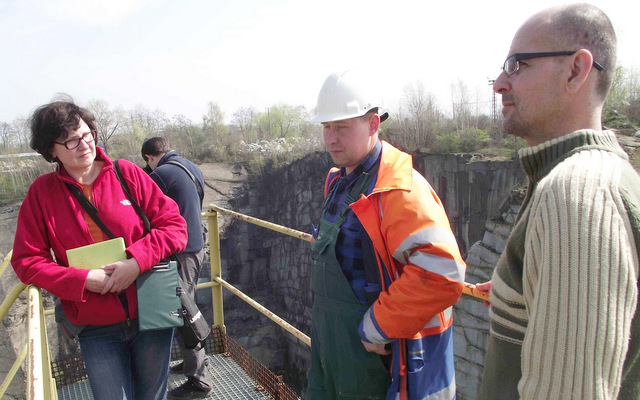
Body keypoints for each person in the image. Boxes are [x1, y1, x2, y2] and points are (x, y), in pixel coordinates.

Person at [477, 4, 640, 399]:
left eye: (518, 65)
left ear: (575, 70)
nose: (499, 83)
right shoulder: (606, 174)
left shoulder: (577, 195)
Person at [11, 97, 188, 400]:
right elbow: (27, 260)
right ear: (51, 150)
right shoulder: (41, 194)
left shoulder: (127, 174)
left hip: (150, 313)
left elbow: (174, 227)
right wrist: (82, 280)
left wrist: (135, 262)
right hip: (95, 325)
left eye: (86, 134)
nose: (84, 145)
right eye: (70, 141)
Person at [307, 70, 466, 400]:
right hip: (327, 349)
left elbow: (443, 272)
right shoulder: (338, 183)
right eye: (326, 127)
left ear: (373, 124)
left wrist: (377, 327)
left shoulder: (399, 190)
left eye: (342, 127)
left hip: (369, 363)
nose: (331, 138)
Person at [141, 137, 213, 399]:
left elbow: (144, 213)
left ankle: (200, 382)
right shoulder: (191, 167)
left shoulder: (160, 174)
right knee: (186, 306)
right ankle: (192, 362)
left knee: (183, 312)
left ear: (149, 157)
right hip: (196, 247)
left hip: (179, 250)